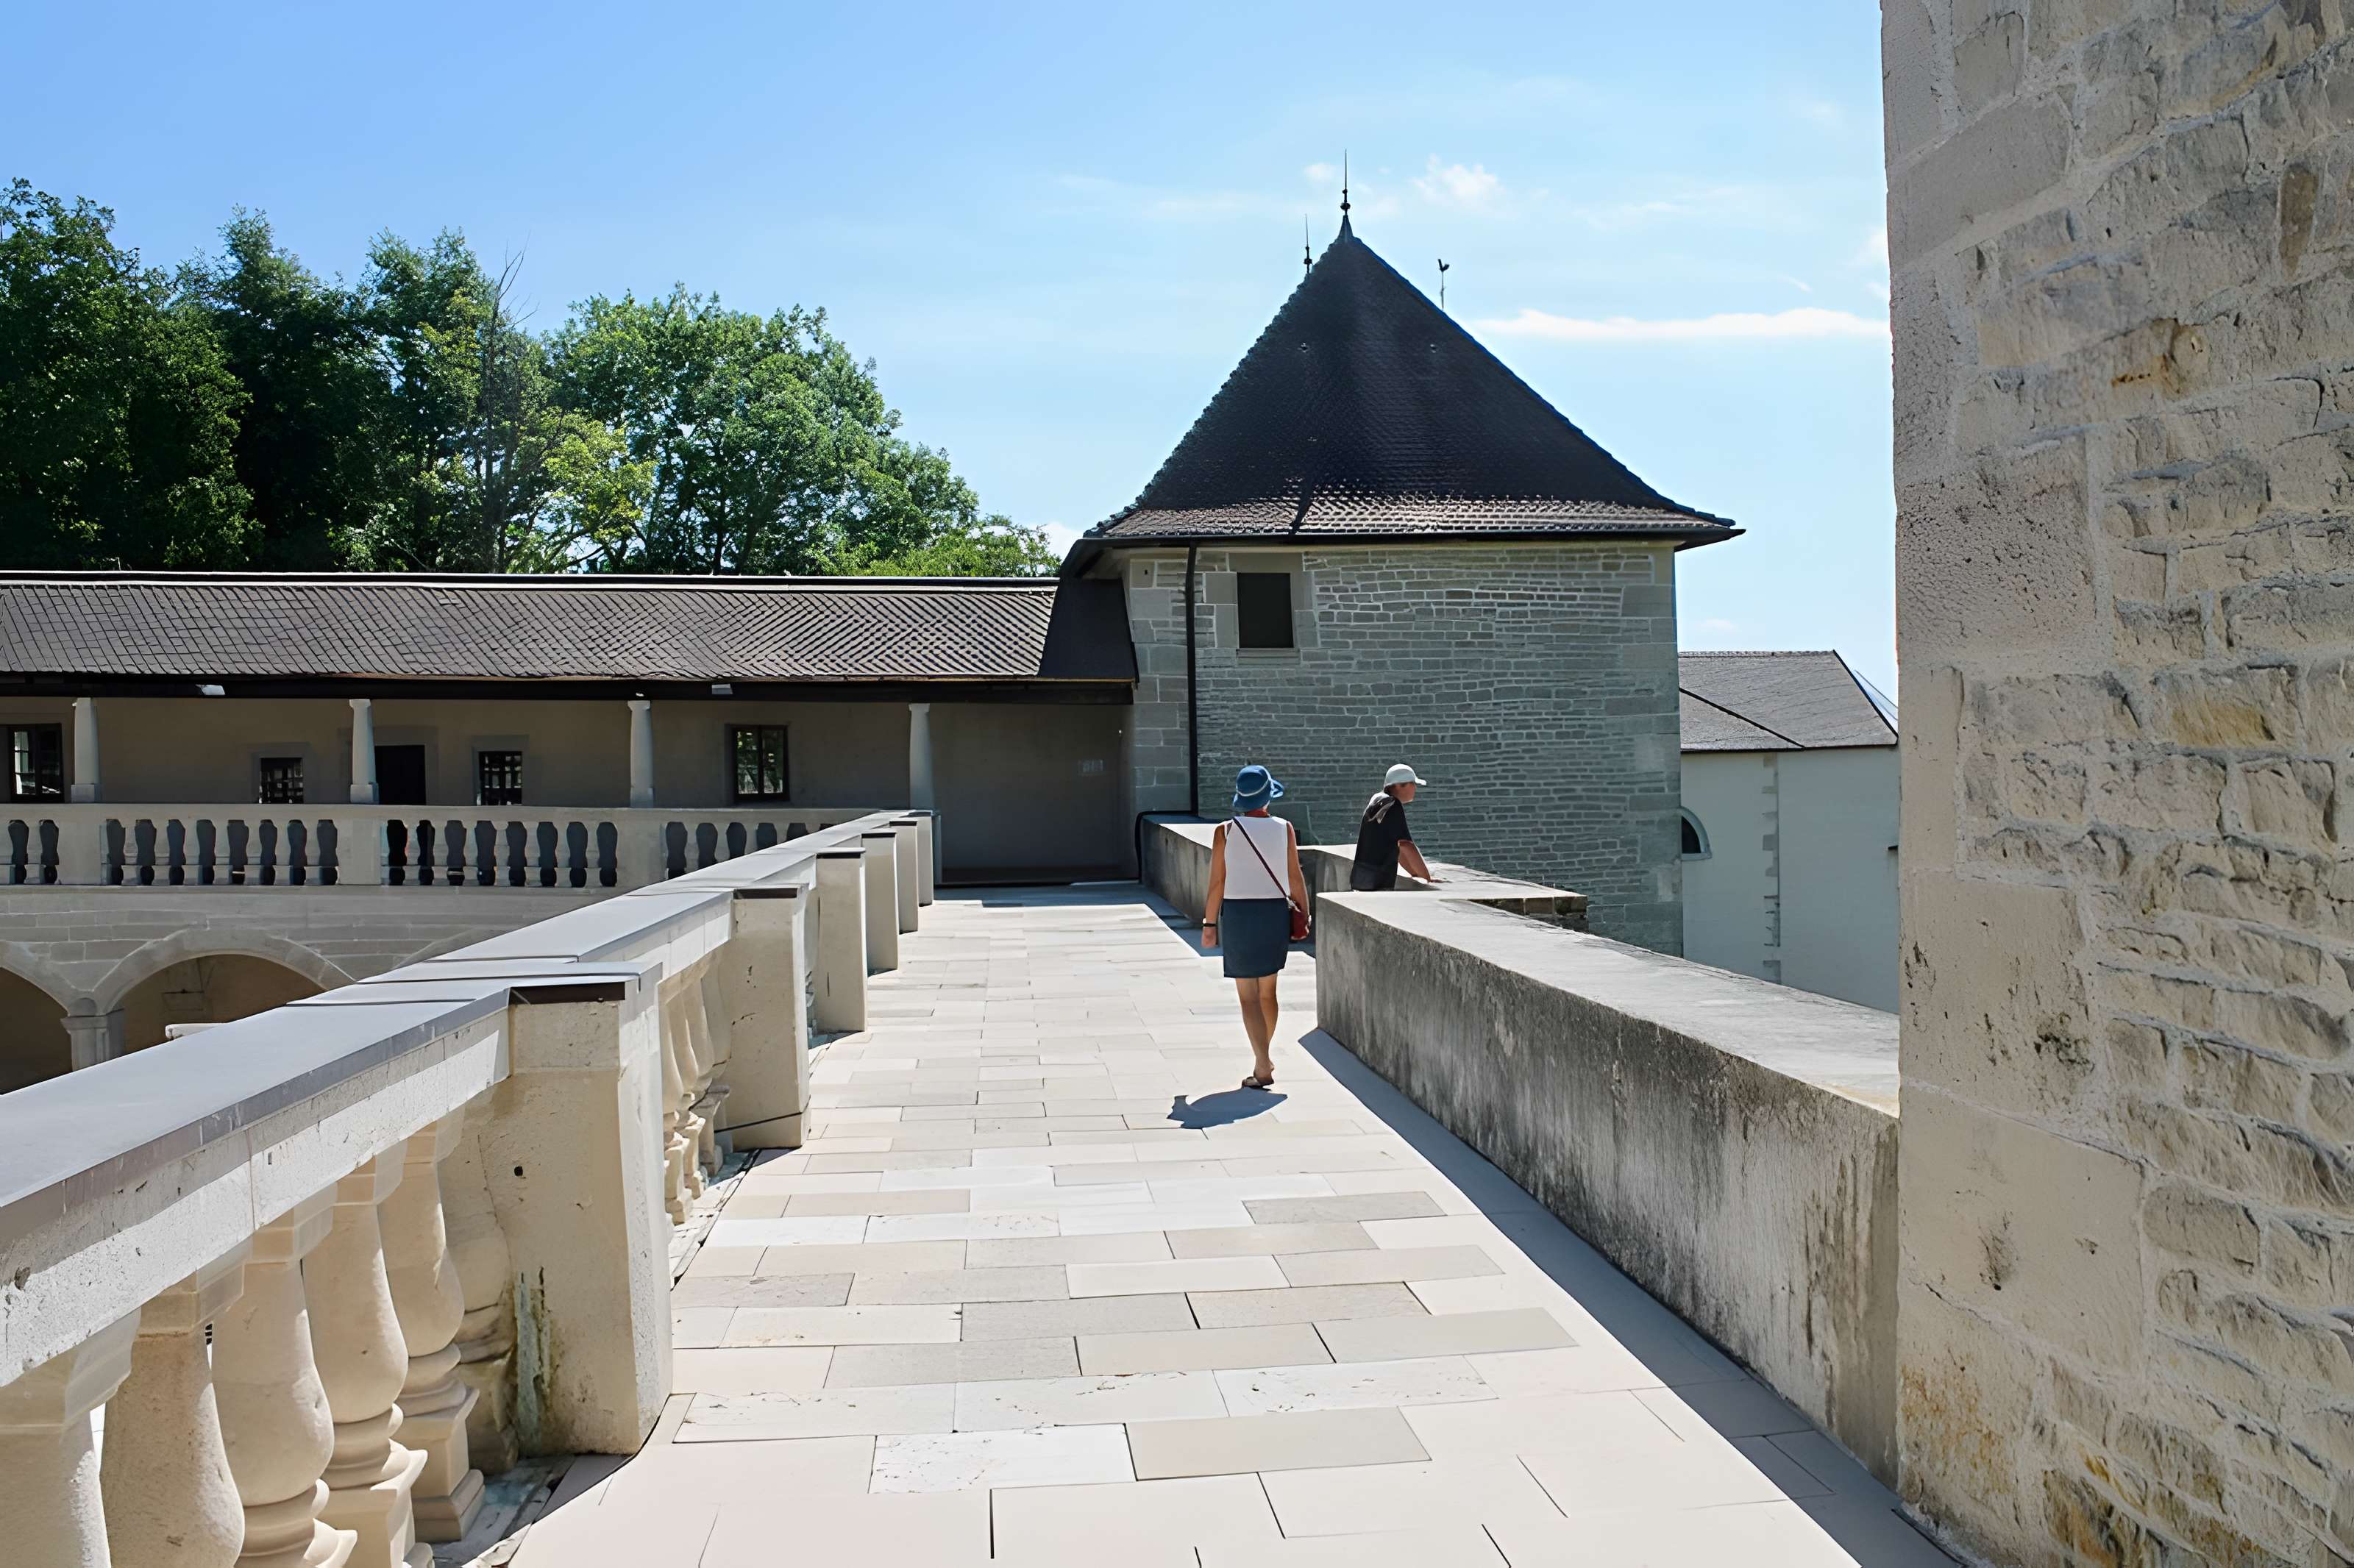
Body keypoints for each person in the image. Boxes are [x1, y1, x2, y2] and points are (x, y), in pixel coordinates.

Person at [1201, 763, 1308, 1090]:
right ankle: (1264, 1056)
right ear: (1268, 797)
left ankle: (1262, 1064)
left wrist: (1209, 923)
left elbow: (1217, 883)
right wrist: (1304, 914)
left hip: (1239, 915)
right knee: (1268, 992)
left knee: (1248, 997)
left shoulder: (1225, 831)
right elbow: (1295, 877)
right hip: (1273, 914)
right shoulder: (1285, 828)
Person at [1351, 763, 1439, 891]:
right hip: (1378, 881)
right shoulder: (1393, 805)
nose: (1415, 788)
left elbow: (1398, 848)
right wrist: (1427, 879)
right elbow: (1406, 846)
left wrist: (1415, 873)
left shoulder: (1377, 799)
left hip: (1361, 878)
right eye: (1412, 784)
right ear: (1399, 785)